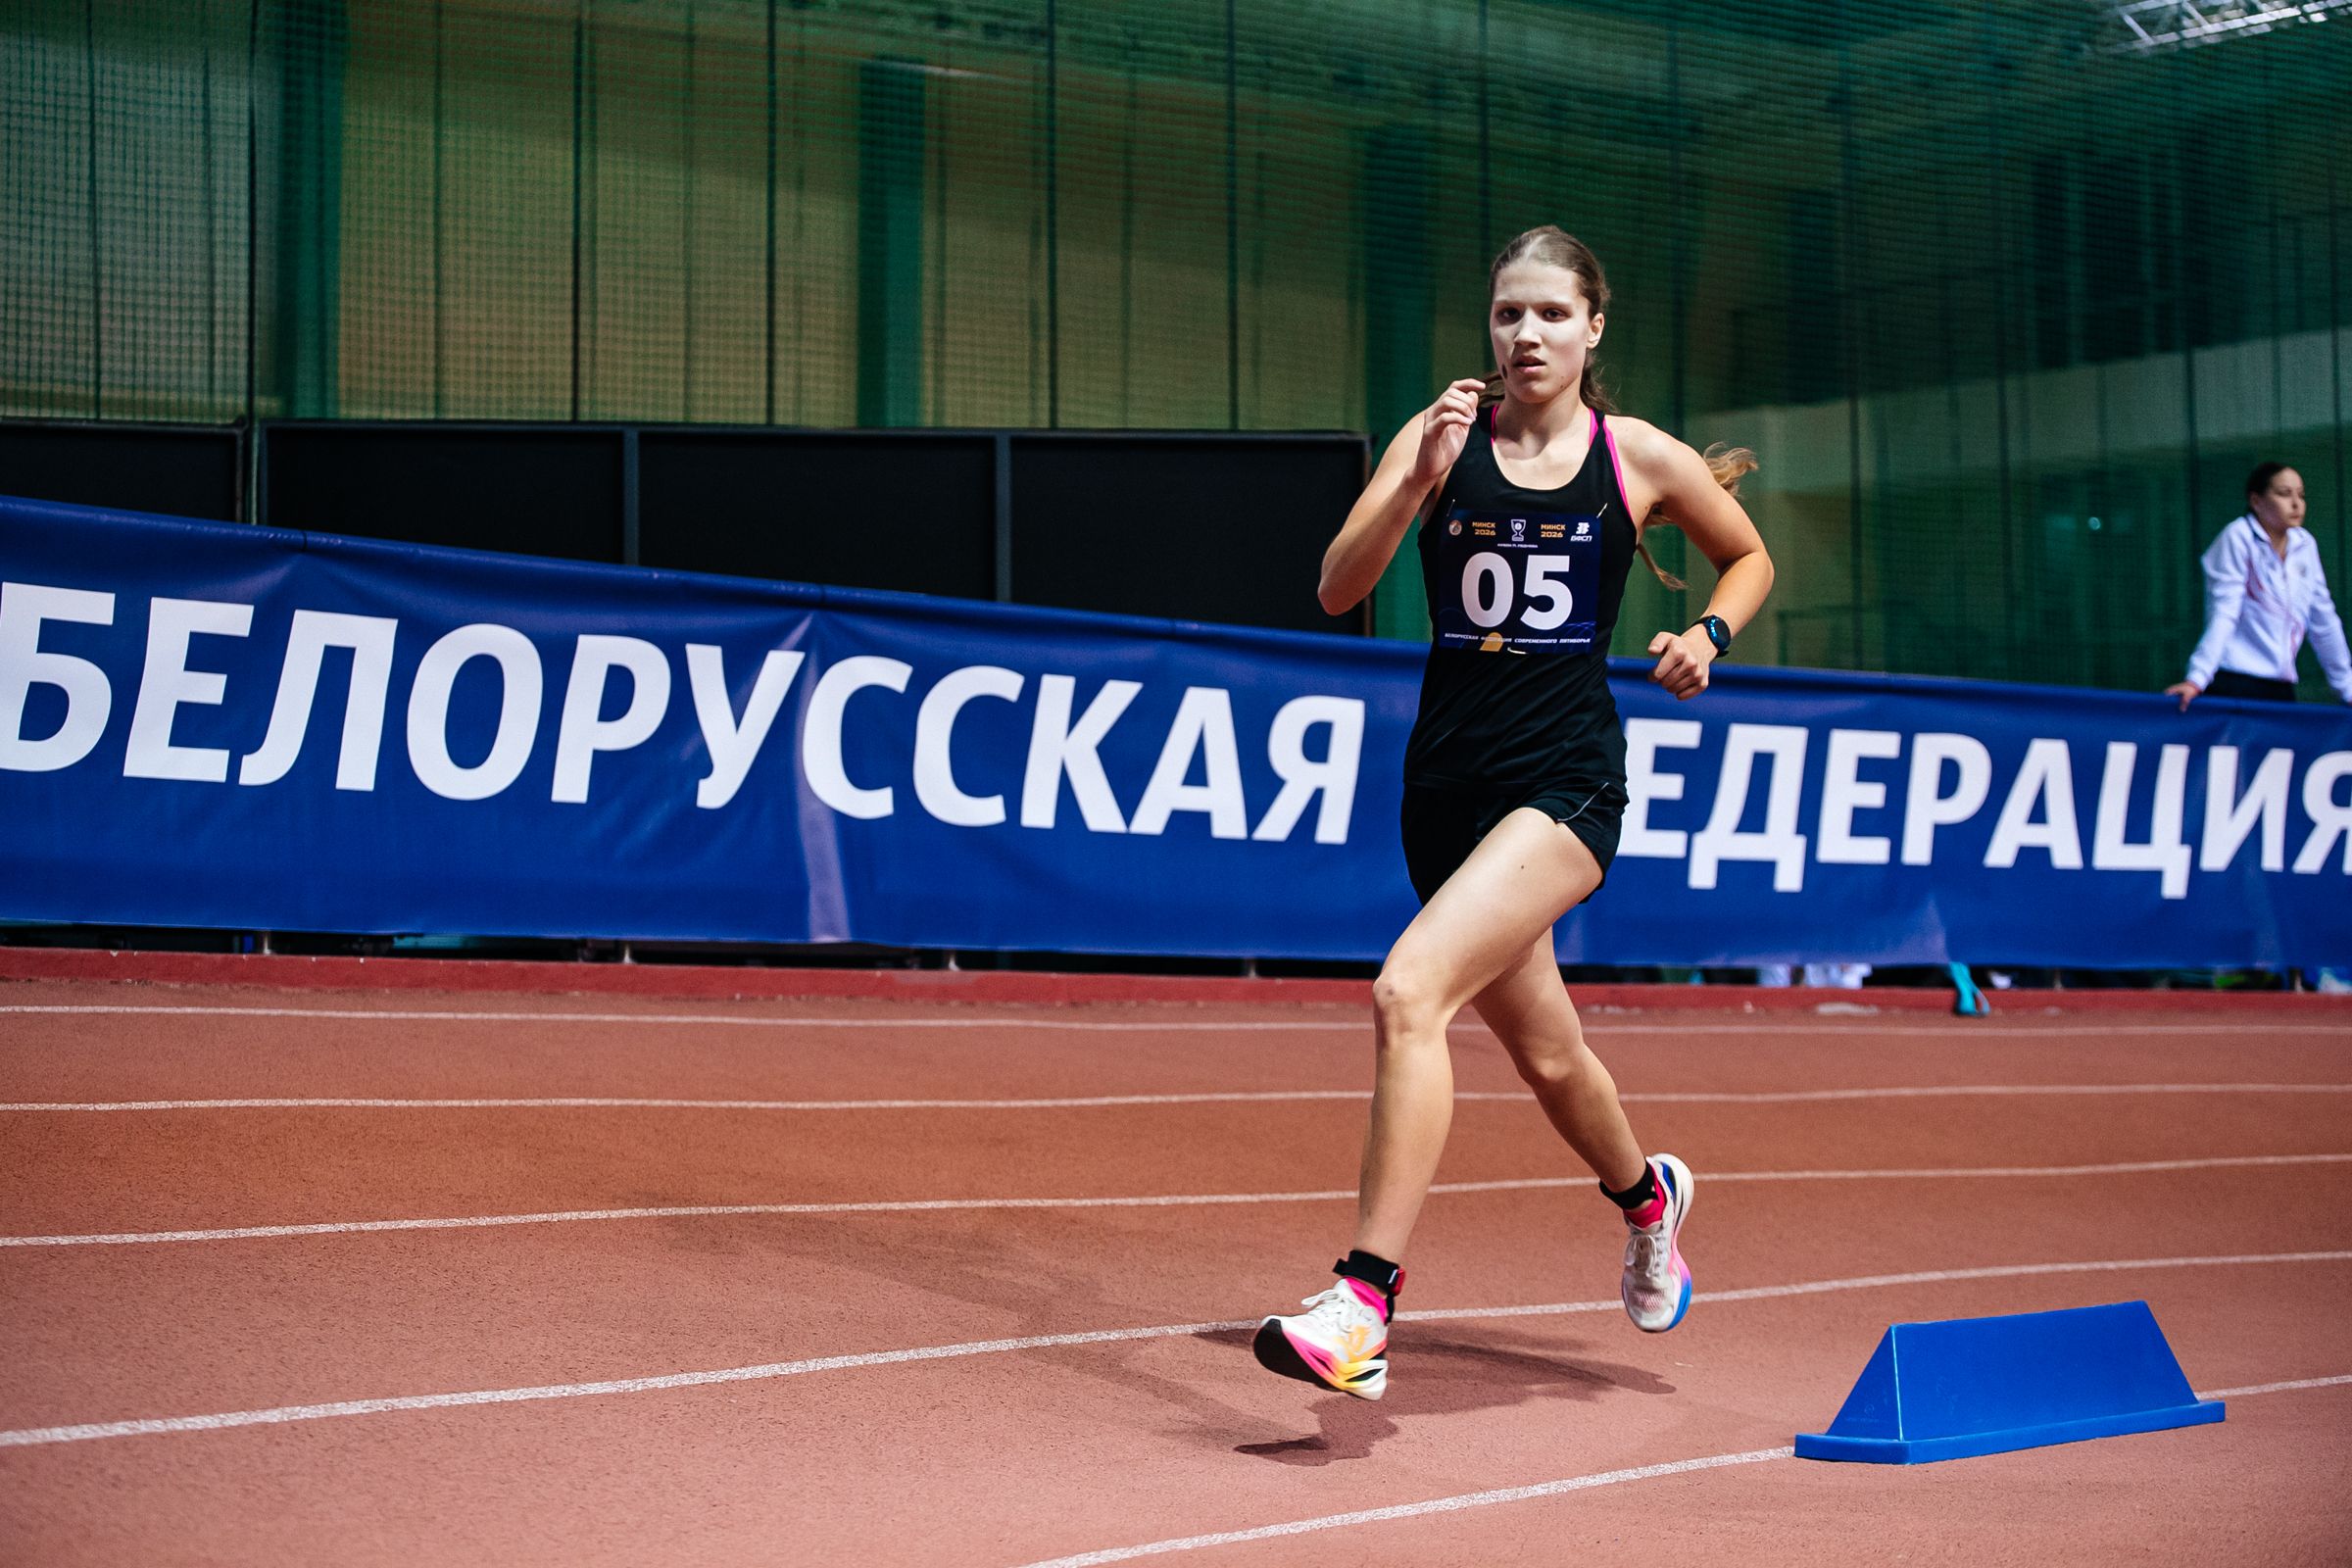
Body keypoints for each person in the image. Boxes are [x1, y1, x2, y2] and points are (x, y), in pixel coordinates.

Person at [1251, 226, 1774, 1400]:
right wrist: (1415, 479)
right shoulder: (1441, 437)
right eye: (1506, 314)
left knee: (1409, 991)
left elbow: (1748, 558)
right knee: (1547, 1053)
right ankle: (1648, 1197)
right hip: (1444, 793)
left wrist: (1709, 634)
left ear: (1594, 328)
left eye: (1549, 314)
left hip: (1566, 786)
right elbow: (1337, 587)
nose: (1525, 335)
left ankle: (1363, 1303)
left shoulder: (1635, 457)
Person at [2166, 464, 2352, 710]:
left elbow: (2324, 621)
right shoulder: (2237, 536)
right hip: (2234, 681)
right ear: (2256, 501)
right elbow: (2224, 613)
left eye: (2301, 495)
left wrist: (2347, 688)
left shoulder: (2305, 544)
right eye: (2284, 494)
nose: (2296, 504)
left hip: (2281, 686)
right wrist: (2197, 678)